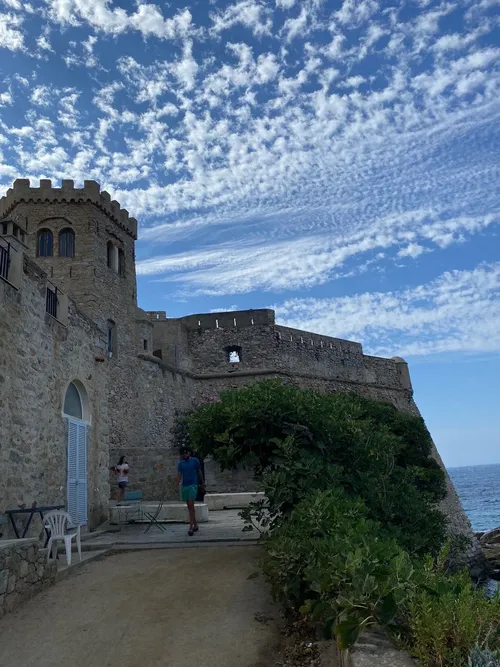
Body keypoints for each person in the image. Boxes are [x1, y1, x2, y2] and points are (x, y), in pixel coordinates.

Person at [176, 447, 205, 536]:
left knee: (191, 504)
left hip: (193, 485)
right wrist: (176, 484)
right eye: (183, 453)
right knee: (190, 507)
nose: (185, 454)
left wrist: (202, 483)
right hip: (185, 486)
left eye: (186, 452)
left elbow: (199, 472)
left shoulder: (195, 461)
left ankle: (190, 527)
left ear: (189, 453)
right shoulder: (181, 464)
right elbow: (179, 475)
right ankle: (195, 525)